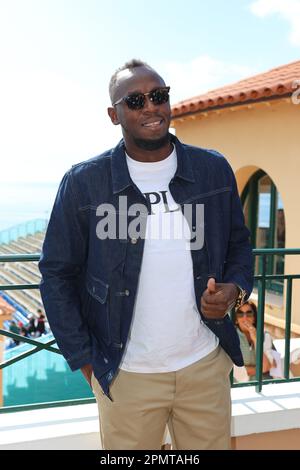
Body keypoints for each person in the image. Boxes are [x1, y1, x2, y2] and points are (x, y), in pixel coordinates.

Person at [39, 59, 254, 450]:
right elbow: (56, 274)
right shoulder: (85, 183)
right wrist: (88, 363)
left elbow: (240, 245)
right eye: (135, 100)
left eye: (159, 96)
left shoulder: (212, 170)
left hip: (204, 366)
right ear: (113, 114)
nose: (150, 107)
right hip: (127, 374)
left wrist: (234, 289)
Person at [233, 300, 275, 380]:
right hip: (240, 386)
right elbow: (236, 371)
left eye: (249, 313)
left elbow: (266, 366)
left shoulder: (265, 336)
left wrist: (256, 340)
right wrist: (259, 369)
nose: (245, 318)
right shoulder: (232, 337)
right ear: (236, 319)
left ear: (254, 318)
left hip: (264, 383)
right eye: (240, 314)